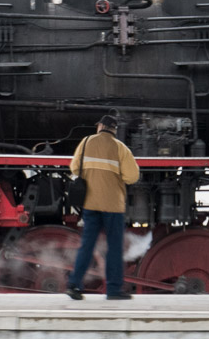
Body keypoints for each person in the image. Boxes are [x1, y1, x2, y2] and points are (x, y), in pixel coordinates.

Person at [66, 115, 140, 301]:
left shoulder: (86, 142)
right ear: (114, 129)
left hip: (90, 203)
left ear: (100, 126)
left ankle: (75, 285)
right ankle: (113, 290)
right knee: (114, 247)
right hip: (112, 205)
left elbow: (75, 168)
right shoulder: (120, 148)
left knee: (87, 245)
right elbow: (132, 177)